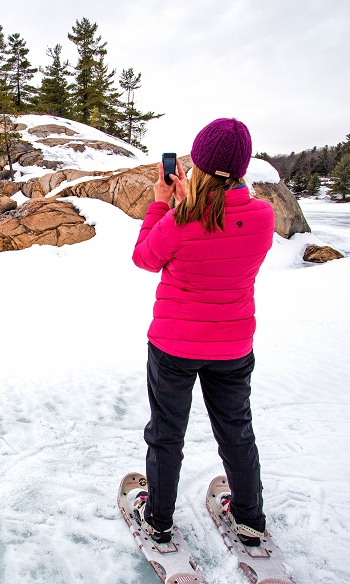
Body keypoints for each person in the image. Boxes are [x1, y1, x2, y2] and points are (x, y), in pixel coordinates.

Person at [130, 118, 275, 547]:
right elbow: (226, 231)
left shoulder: (180, 220)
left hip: (174, 346)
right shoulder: (263, 217)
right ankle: (249, 519)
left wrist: (163, 205)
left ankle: (158, 519)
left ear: (199, 166)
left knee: (166, 433)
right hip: (232, 345)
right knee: (236, 431)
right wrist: (185, 206)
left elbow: (145, 258)